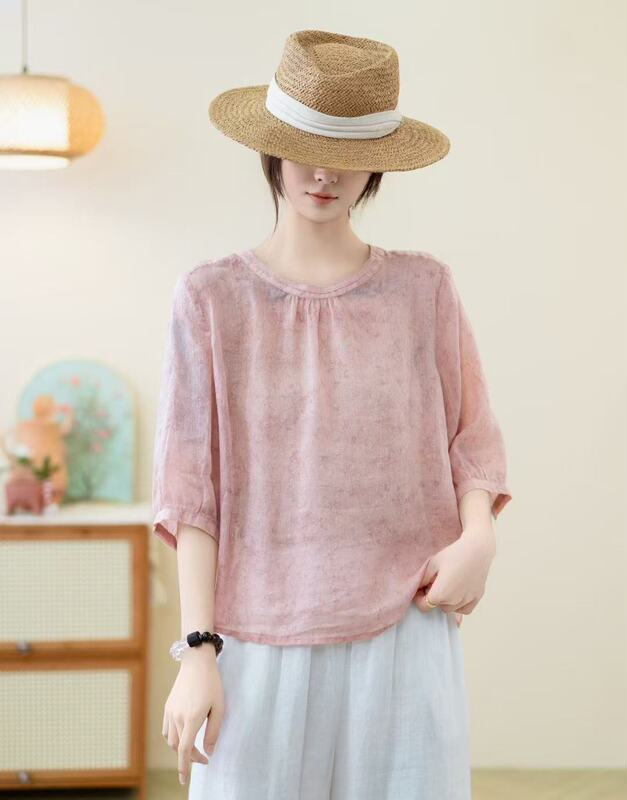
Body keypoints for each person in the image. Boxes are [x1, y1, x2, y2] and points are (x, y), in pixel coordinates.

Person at [152, 29, 512, 800]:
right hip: (256, 634)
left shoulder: (423, 290)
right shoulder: (211, 299)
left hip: (404, 627)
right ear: (272, 151)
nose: (324, 173)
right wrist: (197, 651)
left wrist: (478, 536)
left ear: (377, 164)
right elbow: (191, 494)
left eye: (347, 154)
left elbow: (472, 441)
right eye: (306, 149)